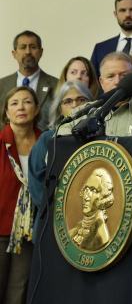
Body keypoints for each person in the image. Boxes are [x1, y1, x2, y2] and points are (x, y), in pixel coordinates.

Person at [28, 80, 91, 236]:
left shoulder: (100, 136)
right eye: (68, 101)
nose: (75, 105)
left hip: (88, 222)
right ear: (60, 109)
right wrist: (63, 209)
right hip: (51, 221)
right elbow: (37, 185)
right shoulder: (48, 139)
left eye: (81, 99)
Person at [0, 86, 41, 301]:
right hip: (1, 226)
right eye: (14, 103)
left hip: (29, 230)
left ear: (37, 109)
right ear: (7, 112)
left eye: (27, 102)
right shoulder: (0, 141)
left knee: (19, 289)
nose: (21, 107)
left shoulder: (46, 142)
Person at [1, 32, 58, 125]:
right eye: (23, 47)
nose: (28, 52)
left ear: (41, 52)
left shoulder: (57, 85)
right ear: (14, 54)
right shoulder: (1, 85)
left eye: (33, 47)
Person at [96, 52, 132, 137]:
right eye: (110, 76)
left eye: (124, 76)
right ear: (101, 82)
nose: (117, 81)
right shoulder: (86, 112)